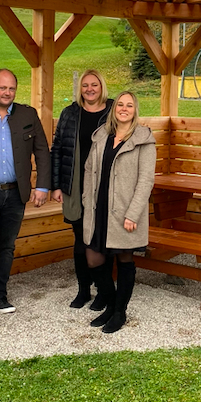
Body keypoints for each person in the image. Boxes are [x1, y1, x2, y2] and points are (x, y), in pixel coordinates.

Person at [0, 68, 51, 322]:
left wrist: (42, 186)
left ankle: (0, 296)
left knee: (6, 247)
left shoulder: (27, 114)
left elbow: (42, 151)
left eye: (11, 88)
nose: (7, 92)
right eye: (2, 87)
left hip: (16, 193)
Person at [81, 91, 156, 333]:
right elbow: (88, 169)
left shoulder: (143, 140)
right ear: (114, 109)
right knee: (94, 259)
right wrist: (86, 199)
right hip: (98, 208)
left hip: (124, 210)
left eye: (129, 105)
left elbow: (146, 180)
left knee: (124, 259)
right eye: (120, 104)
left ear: (135, 110)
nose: (124, 109)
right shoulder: (102, 135)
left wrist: (133, 213)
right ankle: (111, 303)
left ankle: (119, 312)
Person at [50, 69, 113, 310]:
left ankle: (104, 291)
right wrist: (56, 185)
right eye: (85, 85)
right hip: (74, 185)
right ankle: (83, 289)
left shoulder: (113, 111)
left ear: (101, 86)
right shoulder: (70, 113)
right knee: (80, 239)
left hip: (104, 185)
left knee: (101, 239)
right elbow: (57, 149)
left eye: (94, 85)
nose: (89, 89)